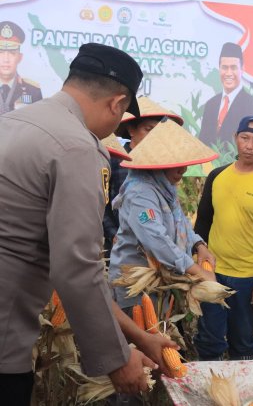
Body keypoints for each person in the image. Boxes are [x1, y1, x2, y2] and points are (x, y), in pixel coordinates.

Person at [0, 42, 153, 404]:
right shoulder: (77, 147)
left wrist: (139, 337)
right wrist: (118, 360)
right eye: (122, 116)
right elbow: (77, 268)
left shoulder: (11, 123)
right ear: (117, 104)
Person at [193, 116, 253, 361]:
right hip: (212, 271)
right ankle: (208, 386)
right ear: (235, 138)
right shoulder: (217, 176)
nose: (249, 145)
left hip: (248, 278)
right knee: (209, 338)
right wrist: (196, 261)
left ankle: (241, 391)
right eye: (245, 138)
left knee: (242, 341)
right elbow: (203, 220)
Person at [109, 120, 219, 314]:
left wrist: (199, 245)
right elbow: (156, 240)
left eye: (184, 163)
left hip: (159, 283)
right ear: (158, 163)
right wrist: (196, 270)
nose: (182, 170)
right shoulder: (141, 192)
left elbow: (180, 222)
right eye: (176, 163)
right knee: (139, 342)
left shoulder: (164, 187)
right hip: (136, 287)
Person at [102, 97, 184, 260]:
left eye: (158, 132)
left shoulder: (161, 165)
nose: (154, 137)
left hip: (158, 250)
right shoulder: (114, 160)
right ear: (131, 129)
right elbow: (101, 203)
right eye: (148, 129)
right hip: (124, 249)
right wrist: (113, 234)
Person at [198, 42, 253, 148]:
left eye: (233, 67)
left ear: (242, 69)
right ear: (219, 69)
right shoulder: (210, 105)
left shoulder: (252, 105)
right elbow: (202, 143)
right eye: (225, 67)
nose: (229, 73)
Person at [0, 20, 42, 114]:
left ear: (19, 57)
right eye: (1, 53)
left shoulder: (33, 91)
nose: (6, 59)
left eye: (12, 53)